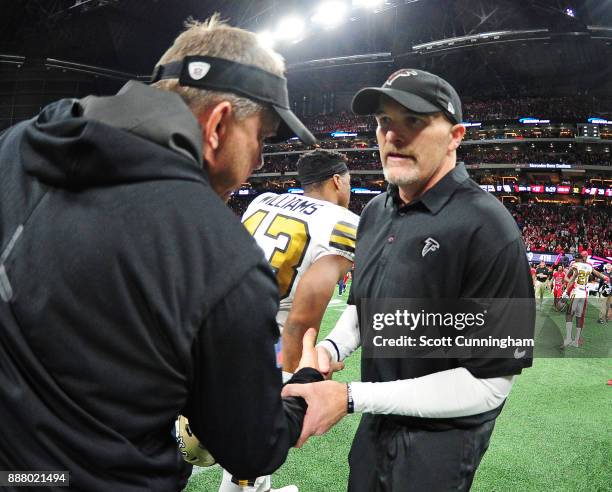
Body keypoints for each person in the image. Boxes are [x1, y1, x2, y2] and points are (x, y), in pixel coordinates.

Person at [0, 15, 325, 491]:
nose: (259, 160)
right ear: (217, 125)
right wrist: (305, 397)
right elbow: (250, 446)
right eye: (261, 137)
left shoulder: (15, 146)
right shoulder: (220, 256)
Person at [283, 68, 535, 491]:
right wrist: (330, 348)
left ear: (456, 135)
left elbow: (490, 385)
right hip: (375, 430)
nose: (392, 136)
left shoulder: (490, 227)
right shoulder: (375, 214)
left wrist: (350, 398)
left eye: (413, 121)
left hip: (439, 449)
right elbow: (366, 308)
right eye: (384, 121)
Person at [217, 149, 359, 492]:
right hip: (270, 340)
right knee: (254, 439)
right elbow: (302, 316)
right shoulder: (346, 223)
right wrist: (297, 373)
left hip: (220, 320)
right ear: (338, 180)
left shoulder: (263, 200)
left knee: (215, 433)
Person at [561, 252, 608, 347]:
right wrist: (606, 278)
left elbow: (570, 278)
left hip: (576, 291)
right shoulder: (589, 266)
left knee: (570, 314)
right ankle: (576, 340)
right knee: (579, 316)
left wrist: (566, 291)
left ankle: (569, 338)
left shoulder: (575, 265)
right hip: (584, 293)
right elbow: (599, 274)